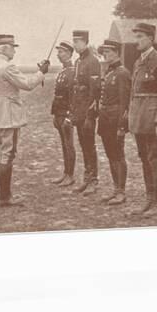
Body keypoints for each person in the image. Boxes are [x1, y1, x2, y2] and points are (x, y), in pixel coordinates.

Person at [0, 34, 50, 207]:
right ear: (5, 48)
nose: (14, 50)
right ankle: (5, 198)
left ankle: (5, 196)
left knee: (4, 153)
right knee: (7, 155)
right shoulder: (7, 67)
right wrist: (41, 73)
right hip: (9, 117)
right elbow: (27, 84)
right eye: (12, 47)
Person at [128, 23, 157, 217]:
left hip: (152, 118)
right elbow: (133, 93)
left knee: (154, 159)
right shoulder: (138, 62)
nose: (136, 40)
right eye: (135, 36)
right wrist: (130, 115)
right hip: (139, 118)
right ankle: (149, 199)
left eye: (139, 37)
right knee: (144, 158)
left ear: (150, 39)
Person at [97, 40, 131, 205]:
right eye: (104, 52)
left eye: (109, 52)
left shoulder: (122, 73)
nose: (106, 55)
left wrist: (122, 126)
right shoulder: (110, 72)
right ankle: (115, 188)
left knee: (118, 155)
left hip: (115, 119)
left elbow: (125, 103)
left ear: (117, 53)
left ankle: (121, 192)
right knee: (111, 155)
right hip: (105, 119)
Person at [69, 30, 102, 195]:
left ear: (85, 42)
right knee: (83, 145)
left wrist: (90, 115)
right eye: (74, 41)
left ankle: (93, 180)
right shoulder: (78, 62)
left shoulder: (93, 61)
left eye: (77, 41)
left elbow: (95, 91)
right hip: (79, 111)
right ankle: (86, 178)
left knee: (90, 145)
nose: (74, 45)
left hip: (88, 111)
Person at [49, 41, 76, 187]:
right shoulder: (62, 71)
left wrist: (69, 115)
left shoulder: (72, 71)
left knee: (69, 144)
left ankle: (70, 175)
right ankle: (66, 173)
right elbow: (57, 94)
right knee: (63, 144)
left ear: (70, 54)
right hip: (59, 112)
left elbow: (73, 96)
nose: (59, 54)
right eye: (58, 52)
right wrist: (55, 114)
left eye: (62, 52)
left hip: (66, 114)